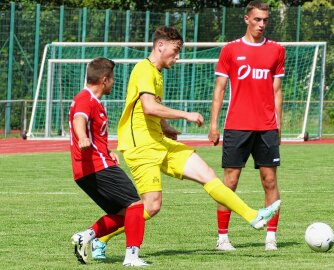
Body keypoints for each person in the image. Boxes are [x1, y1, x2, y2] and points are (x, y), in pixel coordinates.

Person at [90, 26, 281, 259]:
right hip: (140, 147)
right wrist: (186, 115)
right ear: (160, 46)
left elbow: (146, 111)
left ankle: (253, 215)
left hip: (158, 142)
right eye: (176, 50)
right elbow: (148, 107)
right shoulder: (143, 69)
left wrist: (166, 127)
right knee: (150, 207)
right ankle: (100, 237)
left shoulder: (157, 73)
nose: (178, 57)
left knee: (207, 174)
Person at [208, 0, 285, 251]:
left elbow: (277, 91)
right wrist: (213, 124)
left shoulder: (276, 50)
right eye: (257, 19)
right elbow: (219, 90)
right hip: (236, 125)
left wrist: (278, 125)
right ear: (246, 19)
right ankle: (222, 238)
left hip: (266, 127)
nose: (261, 24)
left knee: (270, 181)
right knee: (229, 183)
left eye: (265, 20)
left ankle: (271, 236)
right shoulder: (230, 50)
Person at [68, 57, 147, 267]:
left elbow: (93, 132)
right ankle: (131, 257)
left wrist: (108, 151)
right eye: (112, 79)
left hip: (88, 168)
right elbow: (79, 119)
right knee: (137, 206)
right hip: (97, 166)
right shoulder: (86, 98)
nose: (113, 82)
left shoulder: (91, 100)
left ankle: (85, 236)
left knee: (122, 215)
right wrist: (82, 136)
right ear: (104, 79)